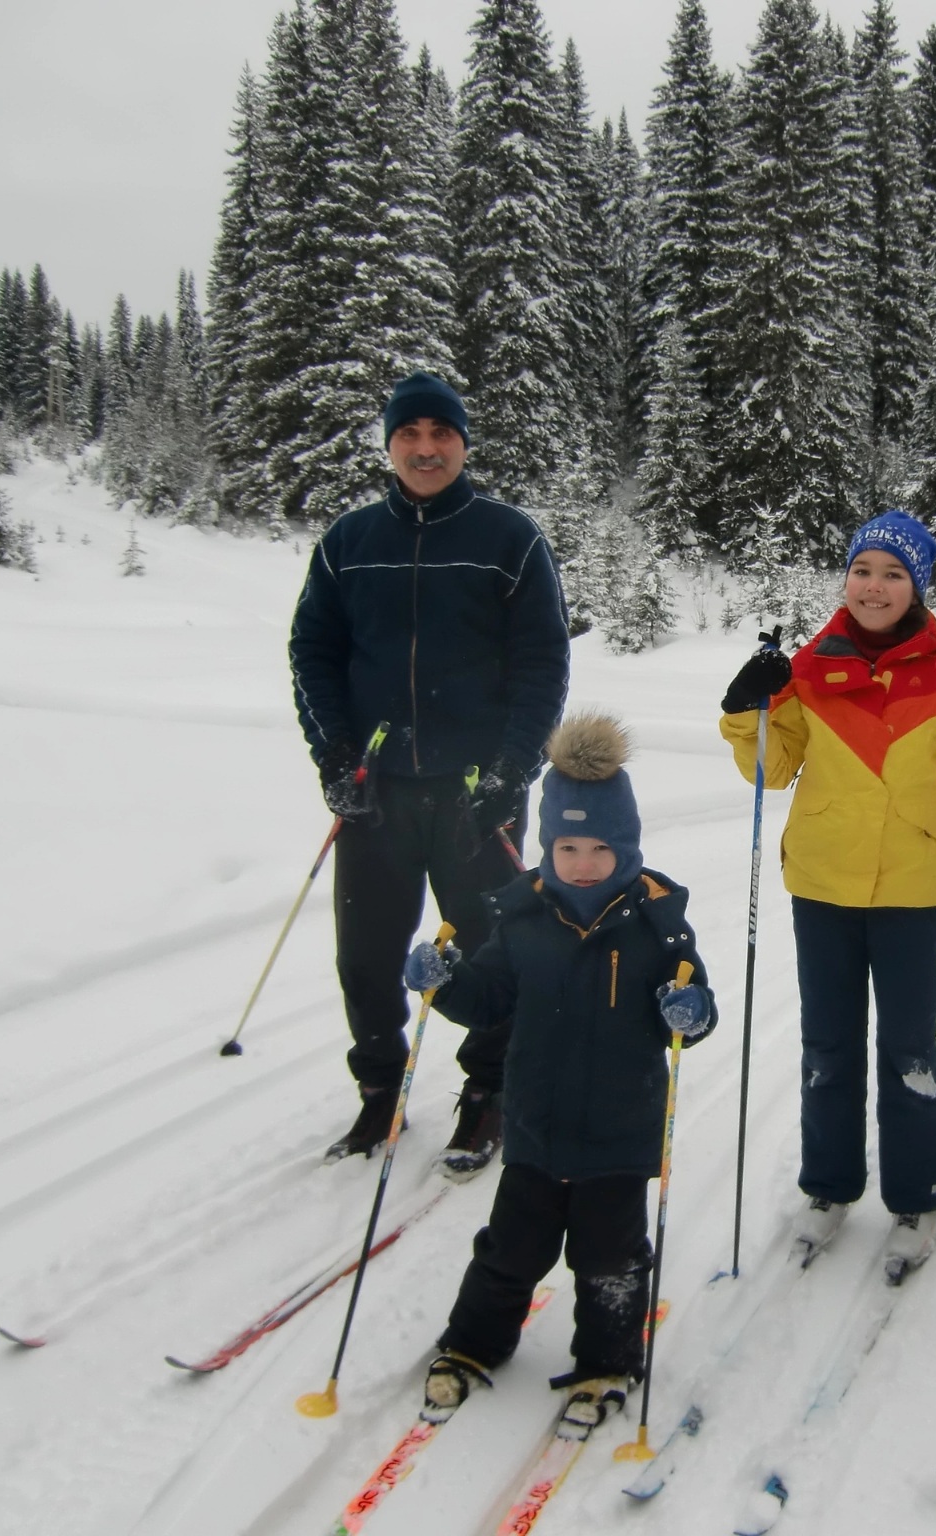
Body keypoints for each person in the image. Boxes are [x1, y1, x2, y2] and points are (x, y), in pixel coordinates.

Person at [717, 511, 936, 1279]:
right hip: (821, 885)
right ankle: (828, 1189)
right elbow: (770, 769)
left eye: (894, 573)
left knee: (908, 1048)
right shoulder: (804, 666)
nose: (875, 586)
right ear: (846, 578)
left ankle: (920, 1192)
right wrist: (745, 706)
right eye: (864, 570)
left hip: (910, 892)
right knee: (827, 1046)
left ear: (917, 586)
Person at [288, 373, 571, 1170]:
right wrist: (336, 758)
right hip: (376, 793)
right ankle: (380, 1092)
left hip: (475, 793)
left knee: (490, 951)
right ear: (387, 446)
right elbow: (312, 652)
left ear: (463, 444)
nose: (424, 448)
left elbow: (543, 665)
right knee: (366, 956)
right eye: (408, 434)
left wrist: (513, 769)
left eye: (440, 434)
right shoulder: (349, 542)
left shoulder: (508, 538)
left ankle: (487, 1094)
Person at [403, 712, 716, 1430]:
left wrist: (687, 1009)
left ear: (627, 847)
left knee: (610, 1261)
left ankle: (607, 1362)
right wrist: (442, 982)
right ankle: (472, 1345)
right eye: (567, 846)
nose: (581, 862)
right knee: (509, 1251)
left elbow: (695, 1009)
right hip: (537, 1131)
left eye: (599, 848)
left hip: (618, 1133)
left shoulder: (657, 924)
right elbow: (488, 1000)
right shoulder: (522, 919)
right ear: (546, 847)